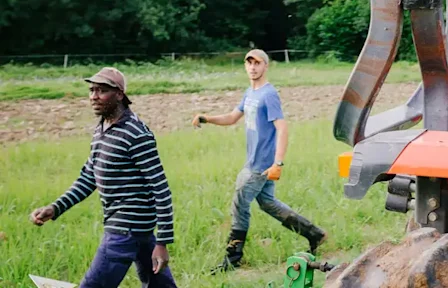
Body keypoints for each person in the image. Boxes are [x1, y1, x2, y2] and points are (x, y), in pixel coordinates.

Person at [29, 67, 177, 287]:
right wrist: (55, 208)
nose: (93, 96)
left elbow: (161, 188)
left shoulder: (136, 134)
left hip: (124, 230)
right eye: (91, 90)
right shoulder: (101, 130)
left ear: (119, 94)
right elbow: (89, 177)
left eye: (101, 91)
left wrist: (163, 242)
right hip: (138, 232)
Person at [192, 49, 327, 273]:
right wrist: (207, 118)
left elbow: (282, 129)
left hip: (261, 164)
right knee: (268, 203)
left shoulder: (268, 94)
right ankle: (315, 234)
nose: (253, 67)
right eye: (249, 63)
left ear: (266, 66)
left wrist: (278, 163)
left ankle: (233, 258)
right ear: (245, 66)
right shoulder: (250, 93)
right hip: (255, 160)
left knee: (239, 205)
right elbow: (232, 117)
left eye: (258, 63)